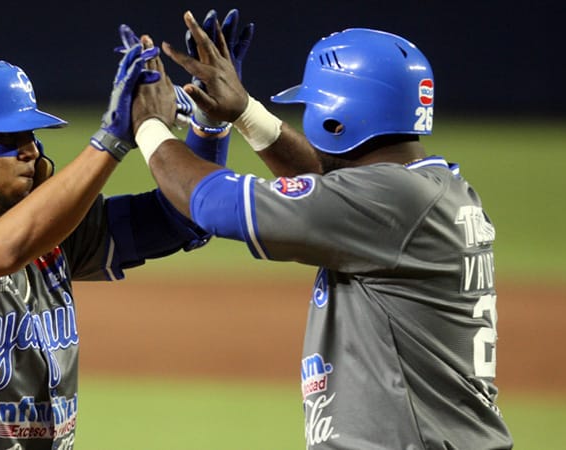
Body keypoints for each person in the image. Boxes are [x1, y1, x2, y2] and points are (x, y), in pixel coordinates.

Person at [129, 10, 513, 449]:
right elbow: (332, 189)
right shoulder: (428, 188)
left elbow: (217, 204)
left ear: (338, 118)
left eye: (313, 105)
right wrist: (245, 114)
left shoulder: (387, 199)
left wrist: (147, 123)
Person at [0, 30, 240, 449]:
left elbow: (183, 217)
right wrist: (111, 141)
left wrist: (210, 125)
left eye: (31, 136)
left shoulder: (47, 232)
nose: (30, 152)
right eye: (8, 140)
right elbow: (4, 248)